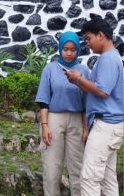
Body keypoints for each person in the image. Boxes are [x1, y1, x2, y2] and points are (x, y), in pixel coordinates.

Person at [65, 17, 124, 196]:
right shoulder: (112, 57)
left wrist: (78, 79)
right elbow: (97, 88)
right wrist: (79, 81)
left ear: (101, 35)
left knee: (90, 177)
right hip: (112, 125)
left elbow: (101, 91)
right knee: (107, 178)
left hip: (105, 126)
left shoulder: (108, 59)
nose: (88, 44)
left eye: (89, 38)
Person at [35, 31, 90, 196]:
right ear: (60, 49)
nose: (69, 53)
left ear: (78, 50)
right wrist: (44, 126)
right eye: (65, 49)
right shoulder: (50, 69)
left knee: (78, 168)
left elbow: (88, 103)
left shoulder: (84, 71)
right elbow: (43, 100)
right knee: (52, 168)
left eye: (73, 49)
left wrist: (86, 127)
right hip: (53, 119)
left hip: (77, 121)